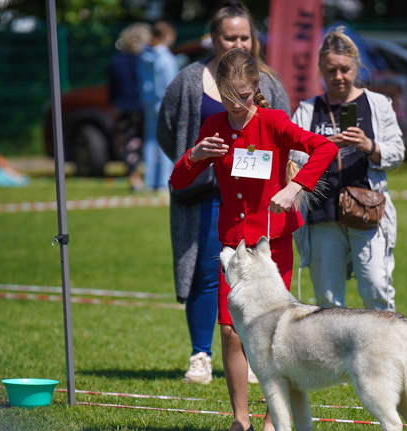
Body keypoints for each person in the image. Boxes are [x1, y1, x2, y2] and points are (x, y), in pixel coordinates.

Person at [170, 48, 338, 431]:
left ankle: (271, 422)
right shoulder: (213, 124)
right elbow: (178, 182)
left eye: (245, 97)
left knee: (272, 332)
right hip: (233, 245)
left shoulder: (275, 121)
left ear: (256, 89)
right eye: (230, 99)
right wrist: (195, 156)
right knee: (230, 331)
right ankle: (239, 421)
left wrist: (295, 186)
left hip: (271, 243)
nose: (238, 106)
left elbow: (325, 148)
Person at [157, 0, 289, 389]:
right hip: (202, 198)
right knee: (205, 274)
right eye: (229, 36)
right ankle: (201, 355)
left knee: (258, 274)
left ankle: (252, 354)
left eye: (244, 36)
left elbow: (286, 136)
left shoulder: (271, 83)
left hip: (254, 201)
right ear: (213, 38)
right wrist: (196, 161)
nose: (238, 43)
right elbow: (167, 130)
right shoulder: (187, 81)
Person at [289, 28, 403, 312]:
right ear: (320, 71)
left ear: (357, 66)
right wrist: (324, 148)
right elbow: (292, 158)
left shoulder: (376, 104)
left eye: (344, 69)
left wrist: (368, 145)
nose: (338, 77)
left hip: (367, 209)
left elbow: (397, 153)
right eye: (330, 70)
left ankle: (385, 351)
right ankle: (338, 355)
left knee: (376, 287)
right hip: (322, 212)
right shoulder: (308, 110)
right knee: (328, 300)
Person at [109, 23, 151, 191]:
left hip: (122, 106)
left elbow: (113, 87)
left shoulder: (116, 61)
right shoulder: (145, 60)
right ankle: (151, 176)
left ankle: (134, 177)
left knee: (129, 143)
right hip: (142, 105)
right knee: (148, 141)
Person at [138, 21, 179, 192]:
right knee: (166, 141)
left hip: (149, 102)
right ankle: (163, 181)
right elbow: (172, 83)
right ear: (167, 37)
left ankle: (149, 181)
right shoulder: (166, 58)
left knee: (149, 141)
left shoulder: (144, 56)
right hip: (164, 102)